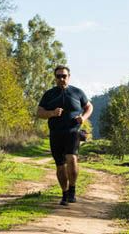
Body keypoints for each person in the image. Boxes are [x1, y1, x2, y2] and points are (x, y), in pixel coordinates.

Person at [37, 65, 93, 206]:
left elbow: (89, 107)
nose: (61, 78)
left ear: (69, 77)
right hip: (55, 134)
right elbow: (39, 112)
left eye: (64, 76)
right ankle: (64, 193)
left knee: (72, 159)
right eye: (58, 76)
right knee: (60, 166)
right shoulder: (49, 94)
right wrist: (52, 113)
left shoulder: (77, 92)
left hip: (73, 132)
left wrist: (84, 118)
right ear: (55, 78)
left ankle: (72, 190)